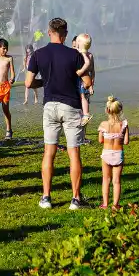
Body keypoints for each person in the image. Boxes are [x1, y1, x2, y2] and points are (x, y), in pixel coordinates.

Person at [26, 18, 92, 210]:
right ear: (64, 34)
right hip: (70, 106)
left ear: (49, 33)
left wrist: (45, 82)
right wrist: (73, 77)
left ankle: (46, 197)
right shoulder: (74, 55)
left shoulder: (38, 55)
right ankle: (75, 199)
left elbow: (29, 83)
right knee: (74, 153)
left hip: (50, 106)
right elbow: (86, 82)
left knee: (49, 152)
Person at [97, 96, 129, 210]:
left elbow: (100, 140)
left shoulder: (103, 124)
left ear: (107, 110)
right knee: (116, 181)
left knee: (106, 179)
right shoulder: (124, 124)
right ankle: (115, 205)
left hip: (106, 153)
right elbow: (126, 141)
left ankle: (105, 204)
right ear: (120, 110)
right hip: (118, 153)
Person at [75, 34, 95, 116]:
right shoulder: (89, 55)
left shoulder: (78, 54)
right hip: (84, 82)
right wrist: (91, 86)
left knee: (83, 97)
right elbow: (92, 72)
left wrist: (91, 86)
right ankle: (85, 114)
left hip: (81, 82)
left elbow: (92, 71)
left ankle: (85, 114)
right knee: (83, 98)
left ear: (79, 43)